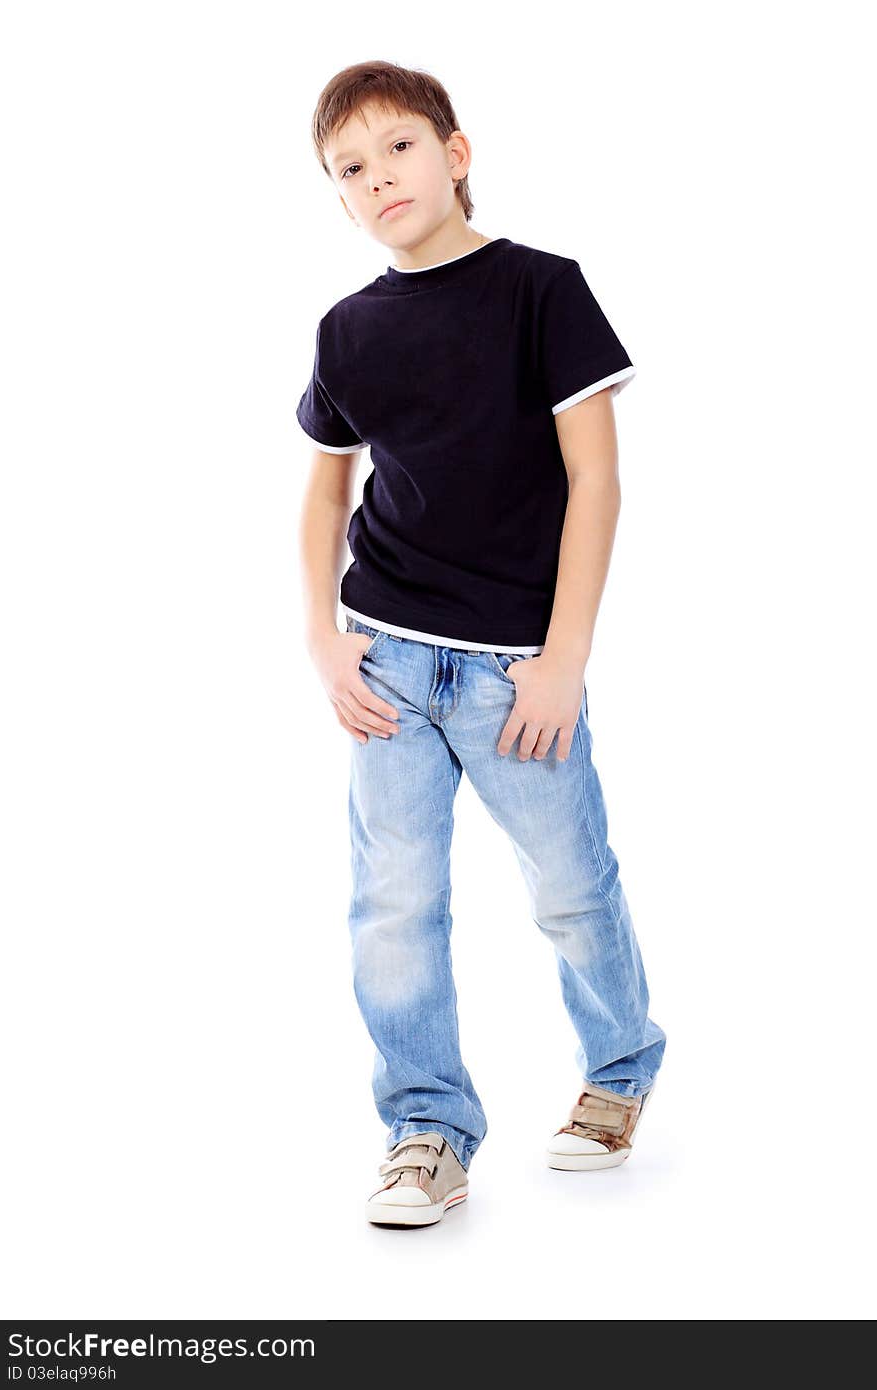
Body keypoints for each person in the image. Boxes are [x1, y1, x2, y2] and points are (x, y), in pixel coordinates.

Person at [297, 60, 667, 1228]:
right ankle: (426, 1128)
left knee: (569, 884)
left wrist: (561, 659)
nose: (378, 177)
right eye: (350, 169)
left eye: (397, 148)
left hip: (516, 669)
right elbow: (323, 493)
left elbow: (594, 481)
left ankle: (618, 1070)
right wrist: (323, 639)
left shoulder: (541, 291)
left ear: (455, 154)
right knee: (394, 901)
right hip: (388, 663)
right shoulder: (347, 330)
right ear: (340, 200)